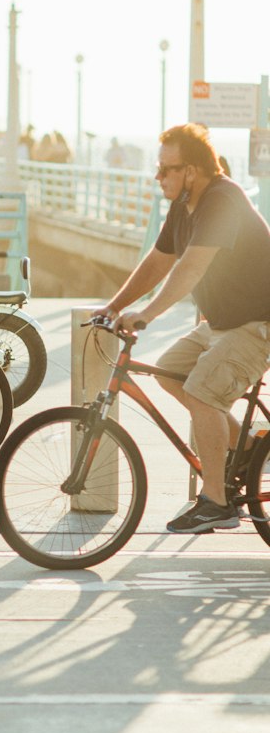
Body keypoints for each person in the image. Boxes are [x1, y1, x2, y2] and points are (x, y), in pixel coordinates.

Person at [102, 122, 270, 533]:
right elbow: (158, 262)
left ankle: (217, 503)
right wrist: (113, 307)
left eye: (165, 170)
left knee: (202, 391)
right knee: (170, 372)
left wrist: (147, 314)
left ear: (191, 171)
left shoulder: (221, 199)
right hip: (223, 323)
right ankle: (247, 449)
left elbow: (190, 268)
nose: (157, 177)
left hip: (257, 324)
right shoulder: (184, 204)